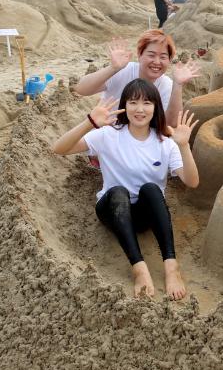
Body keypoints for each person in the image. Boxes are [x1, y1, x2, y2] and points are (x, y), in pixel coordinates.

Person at [52, 80, 199, 299]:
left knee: (151, 189)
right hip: (112, 210)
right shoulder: (109, 134)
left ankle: (171, 267)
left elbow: (192, 181)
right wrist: (89, 123)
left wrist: (184, 145)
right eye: (133, 102)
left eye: (147, 103)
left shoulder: (164, 142)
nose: (140, 109)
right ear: (125, 106)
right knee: (118, 192)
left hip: (144, 215)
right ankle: (139, 269)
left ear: (155, 107)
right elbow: (59, 149)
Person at [74, 30, 200, 127]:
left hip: (140, 140)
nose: (157, 62)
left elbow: (171, 124)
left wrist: (178, 85)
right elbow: (81, 89)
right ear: (139, 55)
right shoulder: (123, 70)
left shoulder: (166, 84)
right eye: (151, 55)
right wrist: (112, 68)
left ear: (169, 60)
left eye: (163, 57)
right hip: (108, 133)